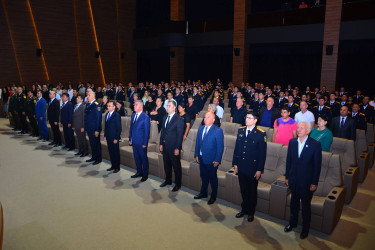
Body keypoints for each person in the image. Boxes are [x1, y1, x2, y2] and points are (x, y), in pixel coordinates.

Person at [284, 122, 322, 240]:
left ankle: (305, 229)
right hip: (294, 179)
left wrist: (314, 182)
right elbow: (289, 161)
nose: (299, 130)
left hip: (306, 181)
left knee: (305, 206)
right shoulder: (292, 142)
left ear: (308, 131)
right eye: (298, 127)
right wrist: (287, 177)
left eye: (302, 128)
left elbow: (317, 166)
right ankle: (293, 223)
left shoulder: (315, 145)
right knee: (293, 203)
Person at [233, 111, 267, 221]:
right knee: (243, 190)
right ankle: (244, 209)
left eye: (249, 118)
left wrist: (259, 170)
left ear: (255, 120)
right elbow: (237, 149)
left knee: (252, 191)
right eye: (246, 117)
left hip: (252, 168)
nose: (246, 119)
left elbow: (262, 154)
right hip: (241, 166)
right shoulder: (241, 130)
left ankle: (251, 212)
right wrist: (235, 163)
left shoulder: (261, 134)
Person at [194, 112, 224, 205]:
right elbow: (198, 143)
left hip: (212, 160)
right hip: (202, 158)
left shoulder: (218, 131)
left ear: (213, 120)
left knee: (213, 179)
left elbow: (220, 147)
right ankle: (203, 193)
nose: (205, 119)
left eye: (208, 117)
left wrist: (217, 160)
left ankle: (213, 196)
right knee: (203, 177)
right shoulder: (200, 128)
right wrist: (196, 154)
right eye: (205, 117)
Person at [159, 100, 184, 192]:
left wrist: (177, 148)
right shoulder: (165, 117)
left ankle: (178, 184)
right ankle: (168, 180)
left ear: (174, 108)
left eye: (169, 106)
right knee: (167, 165)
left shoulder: (179, 119)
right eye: (167, 105)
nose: (167, 107)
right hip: (165, 146)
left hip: (173, 147)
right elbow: (163, 132)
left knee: (176, 167)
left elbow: (179, 136)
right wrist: (161, 143)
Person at [129, 100, 150, 181]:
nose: (134, 106)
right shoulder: (133, 115)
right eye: (134, 105)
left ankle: (145, 174)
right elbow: (131, 128)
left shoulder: (145, 117)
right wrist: (130, 138)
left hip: (141, 142)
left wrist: (145, 143)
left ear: (141, 106)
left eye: (136, 105)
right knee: (136, 157)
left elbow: (146, 132)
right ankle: (139, 172)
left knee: (143, 158)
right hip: (134, 141)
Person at [103, 101, 122, 173]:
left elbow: (119, 128)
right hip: (108, 136)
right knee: (111, 152)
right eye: (107, 106)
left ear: (114, 107)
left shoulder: (116, 115)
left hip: (114, 137)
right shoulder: (107, 114)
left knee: (115, 152)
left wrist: (116, 138)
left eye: (109, 106)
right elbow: (106, 126)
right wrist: (105, 135)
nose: (108, 107)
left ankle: (117, 167)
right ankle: (113, 165)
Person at [85, 90, 102, 165]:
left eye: (88, 95)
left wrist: (97, 130)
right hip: (89, 128)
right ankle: (94, 157)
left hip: (94, 128)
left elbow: (98, 119)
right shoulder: (88, 104)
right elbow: (86, 117)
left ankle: (98, 159)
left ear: (92, 96)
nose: (87, 97)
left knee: (96, 144)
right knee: (92, 143)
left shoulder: (97, 105)